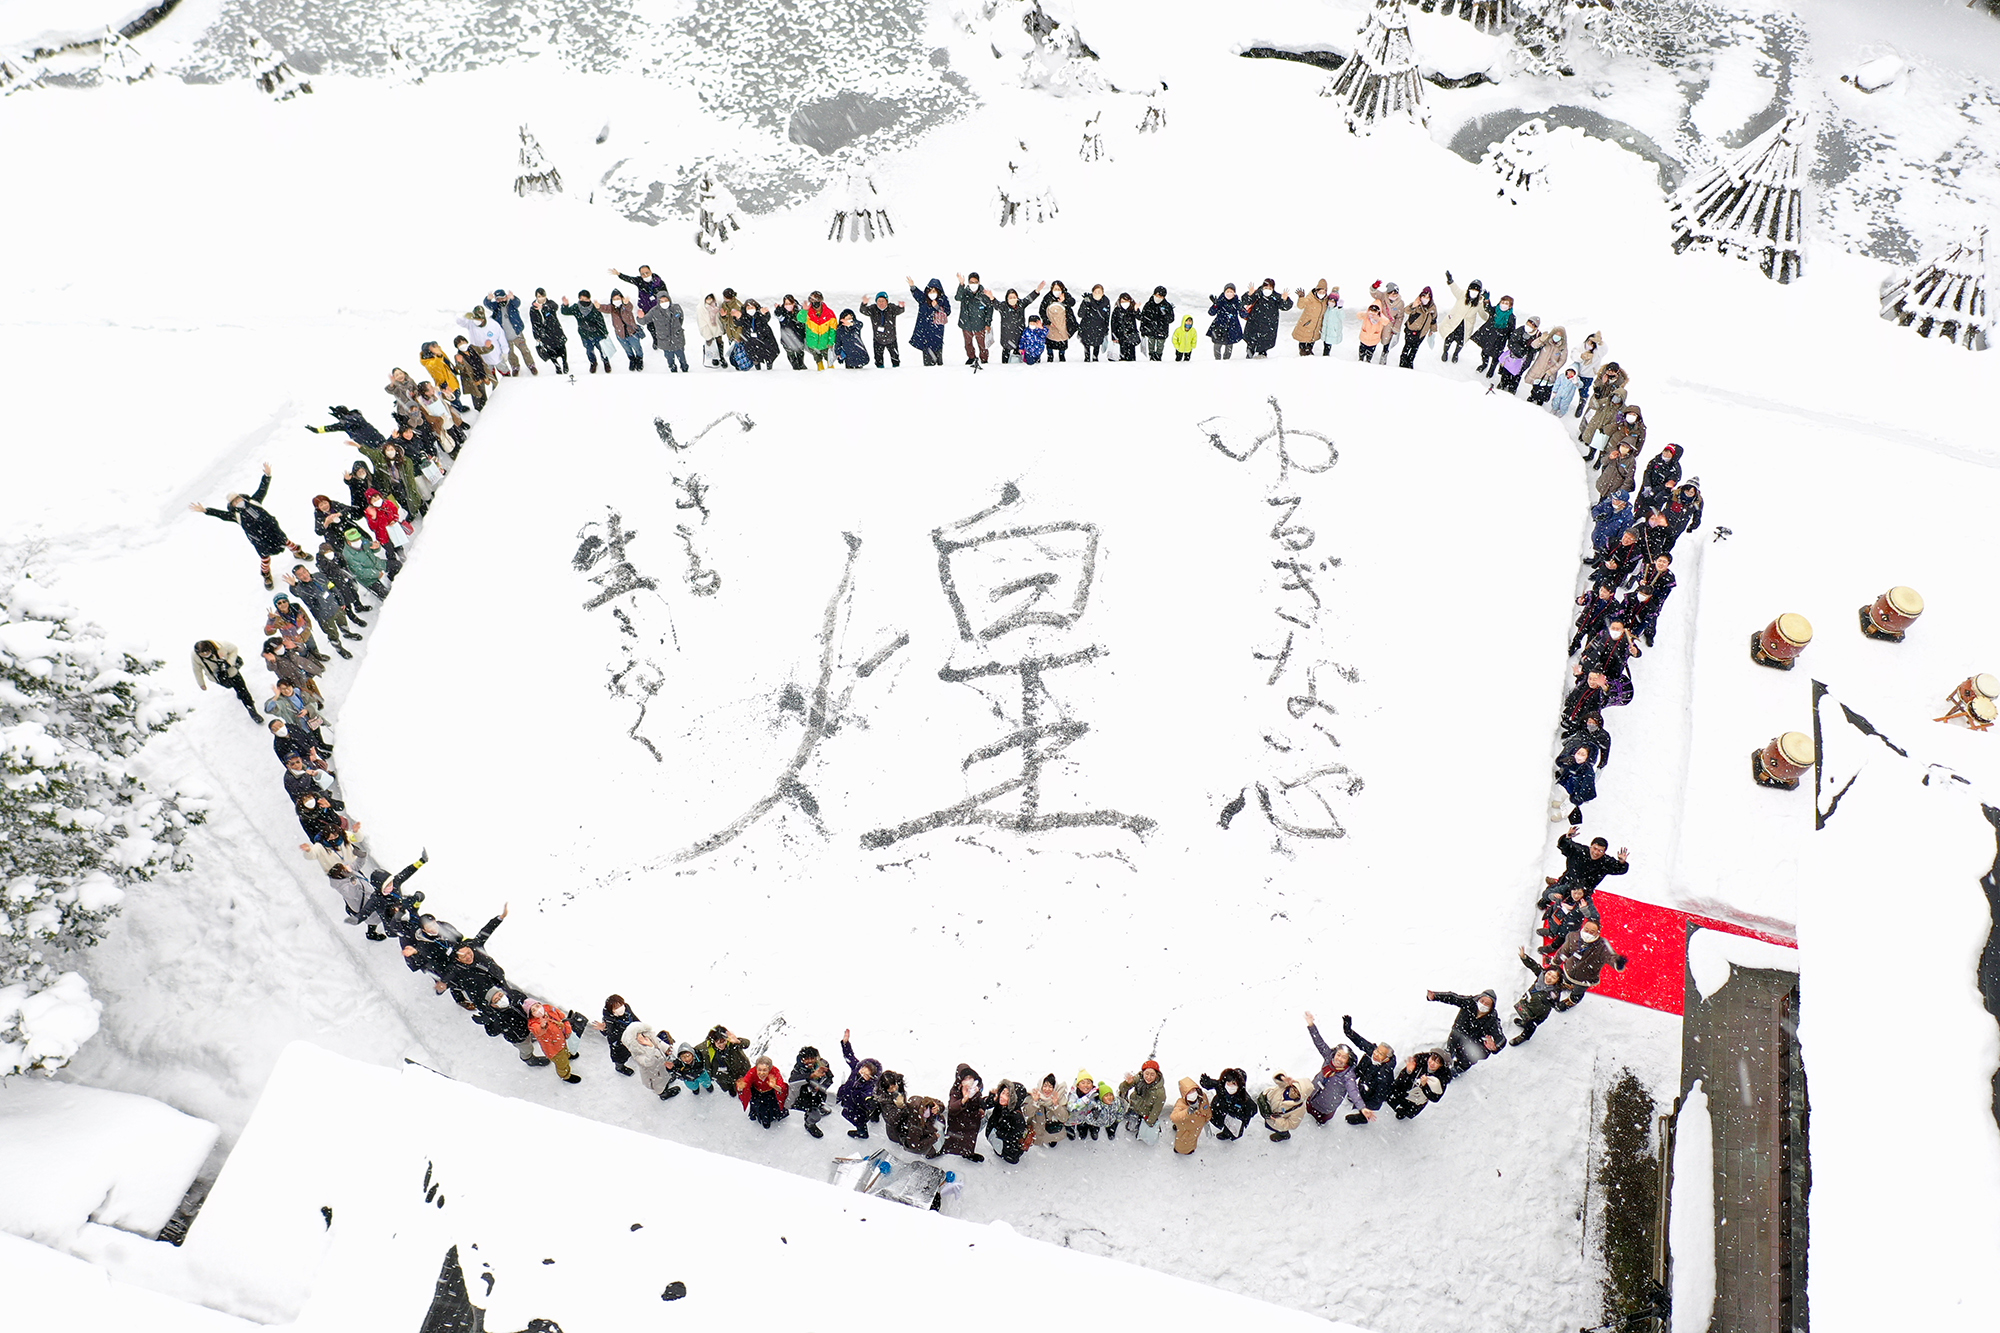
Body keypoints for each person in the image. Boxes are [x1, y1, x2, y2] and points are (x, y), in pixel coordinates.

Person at [189, 464, 306, 589]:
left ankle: (298, 552)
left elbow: (262, 489)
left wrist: (267, 475)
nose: (237, 501)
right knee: (264, 557)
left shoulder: (254, 501)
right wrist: (206, 510)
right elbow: (221, 514)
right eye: (234, 501)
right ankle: (266, 574)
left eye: (238, 499)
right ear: (232, 505)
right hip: (258, 539)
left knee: (286, 541)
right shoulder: (235, 515)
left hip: (273, 530)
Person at [1303, 1013, 1369, 1124]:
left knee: (1321, 1118)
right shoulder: (1329, 1058)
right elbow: (1319, 1042)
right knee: (1309, 1108)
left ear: (1348, 1060)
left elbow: (1353, 1091)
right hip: (1314, 1093)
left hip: (1327, 1105)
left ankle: (1320, 1122)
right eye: (1338, 1055)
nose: (1339, 1059)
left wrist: (1362, 1107)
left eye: (1344, 1057)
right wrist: (1311, 1025)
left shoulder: (1348, 1075)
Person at [1425, 987, 1504, 1072]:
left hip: (1472, 1044)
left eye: (1487, 1003)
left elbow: (1501, 1039)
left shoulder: (1492, 1020)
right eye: (1482, 1001)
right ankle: (1445, 1061)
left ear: (1491, 1007)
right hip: (1457, 1034)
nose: (1483, 1004)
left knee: (1466, 1059)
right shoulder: (1470, 1003)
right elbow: (1453, 998)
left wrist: (1495, 1047)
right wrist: (1435, 996)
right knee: (1450, 1049)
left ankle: (1458, 1069)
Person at [1554, 919, 1627, 1009]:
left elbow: (1610, 956)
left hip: (1585, 978)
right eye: (1586, 929)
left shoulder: (1602, 946)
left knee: (1578, 992)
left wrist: (1617, 963)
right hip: (1569, 969)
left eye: (1592, 932)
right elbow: (1564, 951)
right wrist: (1555, 962)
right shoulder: (1573, 936)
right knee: (1566, 979)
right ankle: (1567, 985)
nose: (1588, 933)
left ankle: (1572, 1001)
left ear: (1598, 933)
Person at [1340, 1017, 1398, 1124]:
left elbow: (1377, 1099)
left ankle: (1363, 1118)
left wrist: (1364, 1108)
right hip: (1363, 1080)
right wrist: (1348, 1031)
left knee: (1365, 1104)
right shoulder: (1372, 1052)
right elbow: (1360, 1042)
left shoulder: (1385, 1077)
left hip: (1369, 1093)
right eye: (1377, 1050)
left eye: (1380, 1054)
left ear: (1387, 1059)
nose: (1375, 1054)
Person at [1510, 948, 1568, 1045]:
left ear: (1557, 981)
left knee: (1531, 1026)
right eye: (1549, 974)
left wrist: (1551, 1001)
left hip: (1538, 1014)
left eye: (1553, 977)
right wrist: (1524, 957)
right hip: (1528, 1003)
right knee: (1526, 1017)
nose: (1549, 978)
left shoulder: (1554, 992)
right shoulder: (1541, 976)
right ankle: (1524, 1022)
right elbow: (1533, 966)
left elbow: (1556, 1004)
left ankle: (1524, 1037)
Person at [1549, 827, 1631, 895]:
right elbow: (1563, 845)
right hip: (1567, 882)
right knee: (1549, 895)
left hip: (1583, 891)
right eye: (1595, 848)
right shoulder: (1579, 851)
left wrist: (1622, 862)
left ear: (1604, 852)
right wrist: (1567, 837)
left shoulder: (1606, 862)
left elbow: (1620, 869)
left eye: (1600, 851)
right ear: (1590, 847)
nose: (1596, 853)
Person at [191, 639, 260, 720]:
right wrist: (201, 683)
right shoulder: (195, 656)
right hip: (217, 677)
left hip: (231, 671)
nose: (206, 656)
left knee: (243, 690)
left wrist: (229, 663)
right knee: (230, 686)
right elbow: (197, 670)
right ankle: (238, 692)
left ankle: (252, 710)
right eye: (203, 655)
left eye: (207, 653)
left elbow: (234, 649)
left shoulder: (221, 645)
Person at [836, 1029, 881, 1139]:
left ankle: (862, 1132)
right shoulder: (856, 1068)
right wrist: (846, 1043)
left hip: (856, 1106)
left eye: (866, 1075)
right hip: (848, 1097)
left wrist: (869, 1101)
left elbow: (868, 1095)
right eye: (862, 1071)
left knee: (856, 1119)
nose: (862, 1075)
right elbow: (849, 1055)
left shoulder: (869, 1086)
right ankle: (874, 1117)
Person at [1437, 271, 1489, 364]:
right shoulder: (1462, 294)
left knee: (1460, 342)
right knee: (1449, 338)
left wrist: (1487, 303)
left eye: (1476, 290)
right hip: (1454, 321)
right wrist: (1450, 281)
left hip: (1465, 326)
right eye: (1472, 289)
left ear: (1479, 292)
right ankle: (1445, 352)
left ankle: (1456, 353)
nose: (1474, 291)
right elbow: (1455, 289)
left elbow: (1485, 316)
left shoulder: (1480, 303)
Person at [1626, 554, 1676, 647]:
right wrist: (1641, 581)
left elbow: (1663, 594)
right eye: (1659, 560)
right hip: (1640, 594)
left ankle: (1649, 634)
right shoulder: (1647, 567)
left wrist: (1652, 590)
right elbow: (1639, 576)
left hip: (1654, 600)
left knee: (1651, 618)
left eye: (1664, 562)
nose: (1661, 563)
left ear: (1668, 564)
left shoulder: (1669, 579)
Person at [483, 290, 537, 375]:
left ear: (506, 297)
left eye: (502, 298)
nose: (501, 301)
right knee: (510, 353)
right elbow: (487, 304)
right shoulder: (496, 307)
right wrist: (488, 299)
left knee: (524, 350)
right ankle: (515, 366)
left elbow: (517, 302)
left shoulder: (512, 305)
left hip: (517, 334)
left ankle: (531, 365)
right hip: (505, 337)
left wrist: (513, 297)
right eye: (498, 299)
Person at [1387, 1051, 1451, 1120]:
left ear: (1441, 1065)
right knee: (1392, 1099)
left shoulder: (1440, 1079)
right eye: (1432, 1059)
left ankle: (1401, 1113)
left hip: (1415, 1101)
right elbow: (1401, 1080)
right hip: (1403, 1090)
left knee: (1403, 1111)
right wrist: (1408, 1072)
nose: (1432, 1063)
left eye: (1437, 1062)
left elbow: (1435, 1098)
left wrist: (1424, 1086)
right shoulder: (1419, 1063)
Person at [787, 1046, 834, 1138]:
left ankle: (817, 1106)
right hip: (803, 1093)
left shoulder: (823, 1065)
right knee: (811, 1109)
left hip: (818, 1091)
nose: (809, 1062)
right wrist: (811, 1076)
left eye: (812, 1058)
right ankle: (809, 1122)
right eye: (806, 1059)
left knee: (818, 1099)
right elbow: (792, 1080)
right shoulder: (798, 1068)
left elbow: (829, 1078)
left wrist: (819, 1086)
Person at [560, 291, 612, 374]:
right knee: (589, 351)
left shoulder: (594, 307)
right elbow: (565, 312)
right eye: (581, 299)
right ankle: (593, 363)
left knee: (602, 350)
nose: (583, 301)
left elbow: (601, 320)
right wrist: (565, 305)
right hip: (585, 335)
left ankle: (606, 362)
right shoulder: (576, 307)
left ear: (589, 299)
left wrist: (605, 333)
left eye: (585, 299)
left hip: (598, 334)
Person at [1198, 1068, 1256, 1141]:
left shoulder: (1245, 1100)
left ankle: (1226, 1134)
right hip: (1219, 1109)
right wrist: (1205, 1082)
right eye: (1228, 1082)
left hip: (1234, 1120)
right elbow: (1211, 1084)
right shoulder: (1222, 1086)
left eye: (1234, 1083)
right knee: (1214, 1118)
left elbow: (1252, 1111)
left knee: (1233, 1131)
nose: (1230, 1086)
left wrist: (1238, 1114)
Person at [590, 995, 642, 1076]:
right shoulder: (609, 1019)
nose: (621, 1008)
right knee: (620, 1057)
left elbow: (634, 1018)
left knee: (632, 1049)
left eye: (621, 1005)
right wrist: (604, 1028)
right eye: (616, 1007)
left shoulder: (627, 1008)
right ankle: (620, 1067)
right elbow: (609, 1033)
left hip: (631, 1038)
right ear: (612, 1010)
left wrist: (640, 1027)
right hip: (619, 1043)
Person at [945, 1063, 988, 1161]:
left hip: (972, 1120)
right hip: (959, 1120)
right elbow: (952, 1108)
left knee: (970, 1139)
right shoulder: (955, 1090)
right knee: (955, 1139)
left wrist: (981, 1108)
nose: (968, 1081)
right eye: (965, 1078)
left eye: (970, 1078)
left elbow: (979, 1099)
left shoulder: (976, 1087)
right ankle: (942, 1150)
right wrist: (964, 1099)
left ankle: (968, 1153)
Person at [1117, 1061, 1169, 1141]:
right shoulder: (1139, 1079)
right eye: (1147, 1074)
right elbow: (1122, 1089)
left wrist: (1150, 1122)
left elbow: (1156, 1109)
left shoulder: (1160, 1092)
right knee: (1131, 1128)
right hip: (1134, 1107)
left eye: (1152, 1074)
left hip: (1146, 1113)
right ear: (1143, 1073)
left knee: (1145, 1129)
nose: (1149, 1077)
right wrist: (1127, 1083)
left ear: (1157, 1075)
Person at [628, 1027, 681, 1100]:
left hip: (662, 1066)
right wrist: (650, 1047)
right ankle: (663, 1094)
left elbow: (658, 1042)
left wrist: (666, 1048)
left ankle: (667, 1080)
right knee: (660, 1086)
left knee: (665, 1074)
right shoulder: (639, 1054)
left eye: (642, 1035)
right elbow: (648, 1063)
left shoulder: (649, 1038)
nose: (643, 1039)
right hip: (654, 1075)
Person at [1242, 278, 1291, 357]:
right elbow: (1245, 301)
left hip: (1269, 324)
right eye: (1266, 288)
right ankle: (1250, 352)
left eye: (1270, 288)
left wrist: (1285, 299)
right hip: (1254, 322)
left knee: (1266, 340)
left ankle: (1263, 352)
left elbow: (1286, 306)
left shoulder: (1276, 297)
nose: (1267, 290)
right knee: (1252, 339)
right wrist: (1250, 294)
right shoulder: (1257, 294)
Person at [953, 273, 995, 366]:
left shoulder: (984, 294)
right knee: (968, 343)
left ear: (979, 282)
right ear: (968, 282)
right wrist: (961, 284)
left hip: (980, 323)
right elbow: (958, 297)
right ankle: (971, 357)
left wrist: (988, 323)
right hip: (966, 323)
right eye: (971, 282)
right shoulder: (965, 292)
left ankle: (984, 359)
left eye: (975, 282)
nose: (973, 284)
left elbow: (989, 309)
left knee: (982, 344)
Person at [640, 292, 687, 373]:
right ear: (658, 302)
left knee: (682, 357)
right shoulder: (654, 311)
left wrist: (676, 329)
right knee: (669, 359)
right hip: (665, 341)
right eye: (661, 301)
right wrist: (640, 317)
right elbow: (644, 321)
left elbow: (681, 318)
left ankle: (685, 368)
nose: (664, 302)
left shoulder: (676, 308)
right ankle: (673, 370)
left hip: (678, 339)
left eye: (666, 300)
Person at [737, 1056, 790, 1128]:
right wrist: (741, 1087)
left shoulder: (775, 1071)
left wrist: (775, 1086)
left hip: (770, 1093)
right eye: (759, 1070)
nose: (761, 1073)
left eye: (764, 1070)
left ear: (769, 1069)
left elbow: (782, 1088)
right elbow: (746, 1082)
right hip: (757, 1093)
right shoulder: (752, 1072)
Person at [907, 278, 950, 366]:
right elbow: (917, 294)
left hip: (937, 331)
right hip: (925, 330)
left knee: (937, 349)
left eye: (934, 291)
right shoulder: (924, 299)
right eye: (930, 290)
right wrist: (912, 286)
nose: (932, 293)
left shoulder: (943, 299)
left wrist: (937, 307)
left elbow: (948, 311)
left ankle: (939, 363)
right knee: (927, 350)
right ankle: (928, 365)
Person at [985, 1081, 1031, 1163]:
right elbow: (985, 1104)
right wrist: (992, 1096)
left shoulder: (1016, 1117)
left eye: (1008, 1095)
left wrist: (998, 1132)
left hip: (1006, 1147)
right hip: (998, 1139)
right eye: (1003, 1092)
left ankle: (1004, 1155)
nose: (1002, 1097)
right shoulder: (1002, 1105)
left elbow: (1014, 1136)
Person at [1472, 294, 1516, 377]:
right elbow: (1488, 308)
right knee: (1485, 352)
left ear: (1510, 306)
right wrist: (1487, 300)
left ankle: (1491, 369)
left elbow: (1512, 331)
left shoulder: (1511, 317)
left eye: (1506, 303)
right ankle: (1484, 364)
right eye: (1502, 302)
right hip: (1489, 335)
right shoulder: (1495, 310)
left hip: (1500, 339)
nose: (1504, 305)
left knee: (1496, 356)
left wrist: (1511, 343)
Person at [1555, 744, 1598, 825]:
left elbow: (1590, 791)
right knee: (1563, 796)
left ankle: (1562, 815)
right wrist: (1564, 760)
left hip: (1573, 794)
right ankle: (1561, 803)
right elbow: (1559, 762)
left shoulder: (1588, 771)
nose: (1579, 757)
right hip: (1566, 786)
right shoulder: (1572, 761)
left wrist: (1578, 798)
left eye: (1583, 755)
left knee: (1568, 807)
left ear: (1588, 757)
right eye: (1578, 753)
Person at [529, 290, 570, 374]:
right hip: (544, 332)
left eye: (542, 296)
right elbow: (533, 323)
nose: (541, 298)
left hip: (555, 329)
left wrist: (543, 307)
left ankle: (564, 362)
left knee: (562, 347)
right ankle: (556, 365)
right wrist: (537, 336)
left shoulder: (550, 303)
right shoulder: (533, 308)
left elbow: (555, 307)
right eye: (539, 296)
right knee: (550, 350)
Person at [1258, 1073, 1308, 1141]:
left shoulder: (1299, 1109)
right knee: (1267, 1123)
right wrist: (1281, 1077)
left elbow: (1292, 1124)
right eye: (1294, 1089)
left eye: (1297, 1093)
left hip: (1276, 1122)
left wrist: (1277, 1120)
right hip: (1269, 1107)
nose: (1293, 1093)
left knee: (1275, 1128)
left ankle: (1284, 1135)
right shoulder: (1285, 1085)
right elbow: (1277, 1077)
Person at [1168, 1078, 1212, 1155]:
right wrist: (1187, 1112)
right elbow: (1174, 1117)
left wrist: (1207, 1119)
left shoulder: (1202, 1097)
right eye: (1189, 1092)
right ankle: (1180, 1150)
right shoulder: (1181, 1103)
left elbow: (1206, 1108)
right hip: (1187, 1128)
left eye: (1193, 1090)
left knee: (1192, 1139)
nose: (1192, 1094)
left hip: (1196, 1127)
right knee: (1184, 1143)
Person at [995, 285, 1038, 363]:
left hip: (1019, 334)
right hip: (1007, 336)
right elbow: (995, 304)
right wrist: (991, 297)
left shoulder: (1021, 305)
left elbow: (1029, 298)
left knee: (1018, 354)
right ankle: (1004, 365)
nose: (1012, 299)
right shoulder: (1003, 307)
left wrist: (1037, 291)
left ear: (1017, 298)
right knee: (1006, 352)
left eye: (1014, 297)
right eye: (1010, 297)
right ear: (1007, 299)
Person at [1067, 1073, 1115, 1140]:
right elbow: (1070, 1107)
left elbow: (1103, 1100)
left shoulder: (1095, 1094)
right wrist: (1085, 1099)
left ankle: (1091, 1129)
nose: (1086, 1085)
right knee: (1074, 1124)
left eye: (1088, 1083)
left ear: (1092, 1085)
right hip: (1075, 1117)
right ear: (1078, 1085)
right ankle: (1072, 1130)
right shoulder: (1074, 1094)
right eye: (1083, 1083)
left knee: (1086, 1124)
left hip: (1087, 1118)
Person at [862, 291, 905, 367]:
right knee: (878, 359)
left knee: (895, 358)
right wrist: (864, 303)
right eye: (879, 301)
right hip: (878, 339)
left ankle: (896, 371)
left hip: (891, 339)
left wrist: (901, 306)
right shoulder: (873, 309)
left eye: (883, 301)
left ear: (887, 301)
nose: (881, 303)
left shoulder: (891, 308)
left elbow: (900, 310)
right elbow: (863, 310)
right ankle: (880, 372)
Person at [1398, 286, 1438, 367]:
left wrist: (1432, 330)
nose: (1426, 299)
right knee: (1407, 346)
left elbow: (1434, 320)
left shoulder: (1432, 308)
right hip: (1411, 330)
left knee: (1415, 348)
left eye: (1428, 297)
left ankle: (1410, 361)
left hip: (1422, 332)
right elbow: (1406, 310)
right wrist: (1413, 305)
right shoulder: (1416, 304)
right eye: (1424, 296)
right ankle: (1402, 361)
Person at [1027, 1074, 1069, 1147]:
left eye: (1050, 1086)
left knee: (1052, 1137)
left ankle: (1052, 1140)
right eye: (1045, 1086)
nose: (1047, 1089)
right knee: (1038, 1138)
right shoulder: (1034, 1095)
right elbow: (1027, 1113)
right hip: (1037, 1128)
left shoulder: (1059, 1097)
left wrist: (1056, 1105)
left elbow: (1064, 1118)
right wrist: (1034, 1102)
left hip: (1052, 1129)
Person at [798, 292, 837, 370]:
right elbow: (800, 319)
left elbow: (833, 330)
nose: (815, 304)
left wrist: (831, 342)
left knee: (829, 361)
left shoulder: (829, 313)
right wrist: (804, 310)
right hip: (813, 343)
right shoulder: (808, 313)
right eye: (812, 302)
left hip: (825, 344)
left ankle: (832, 374)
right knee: (818, 360)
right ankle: (819, 371)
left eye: (817, 301)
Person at [1039, 280, 1076, 361]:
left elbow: (1072, 303)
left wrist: (1064, 300)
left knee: (1062, 340)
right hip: (1051, 324)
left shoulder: (1065, 295)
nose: (1057, 291)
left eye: (1058, 289)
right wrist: (1047, 321)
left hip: (1063, 323)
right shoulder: (1048, 297)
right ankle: (1050, 355)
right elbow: (1041, 310)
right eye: (1055, 289)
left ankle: (1062, 355)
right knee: (1050, 341)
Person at [1291, 280, 1331, 355]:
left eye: (1323, 292)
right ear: (1316, 291)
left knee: (1313, 337)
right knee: (1303, 336)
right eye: (1320, 292)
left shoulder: (1325, 300)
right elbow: (1301, 306)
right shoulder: (1311, 298)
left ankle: (1309, 349)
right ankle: (1302, 349)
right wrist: (1301, 298)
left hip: (1317, 324)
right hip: (1307, 322)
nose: (1321, 294)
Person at [1205, 285, 1245, 359]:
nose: (1229, 293)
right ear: (1224, 292)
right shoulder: (1220, 301)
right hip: (1219, 326)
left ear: (1234, 293)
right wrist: (1215, 305)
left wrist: (1242, 309)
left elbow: (1244, 315)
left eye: (1231, 292)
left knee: (1229, 345)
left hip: (1232, 327)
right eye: (1227, 291)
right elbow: (1211, 313)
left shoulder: (1237, 302)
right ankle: (1217, 360)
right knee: (1217, 344)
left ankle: (1226, 360)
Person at [1139, 286, 1175, 361]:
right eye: (1157, 295)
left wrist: (1165, 315)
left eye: (1160, 296)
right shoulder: (1148, 304)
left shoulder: (1167, 306)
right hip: (1150, 330)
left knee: (1160, 346)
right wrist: (1143, 329)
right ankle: (1151, 357)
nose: (1158, 298)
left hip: (1162, 331)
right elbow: (1143, 317)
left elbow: (1171, 319)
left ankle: (1158, 357)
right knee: (1151, 346)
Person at [742, 299, 779, 369]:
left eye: (752, 307)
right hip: (751, 339)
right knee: (754, 354)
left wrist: (763, 314)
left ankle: (769, 365)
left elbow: (766, 318)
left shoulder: (759, 313)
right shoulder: (745, 316)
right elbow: (738, 322)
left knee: (769, 352)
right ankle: (757, 367)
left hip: (765, 337)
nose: (750, 309)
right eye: (748, 308)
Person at [1077, 284, 1111, 361]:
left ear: (1103, 293)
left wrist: (1106, 328)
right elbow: (1080, 314)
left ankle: (1095, 357)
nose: (1097, 293)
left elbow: (1107, 316)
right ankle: (1087, 357)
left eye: (1099, 292)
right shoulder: (1087, 300)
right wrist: (1085, 304)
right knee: (1086, 343)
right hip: (1087, 326)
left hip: (1099, 327)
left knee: (1097, 344)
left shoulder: (1106, 301)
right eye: (1095, 292)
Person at [1109, 292, 1141, 361]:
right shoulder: (1117, 310)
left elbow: (1139, 317)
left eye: (1126, 301)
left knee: (1131, 355)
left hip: (1131, 336)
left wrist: (1136, 310)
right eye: (1122, 301)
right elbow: (1113, 324)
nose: (1124, 303)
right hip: (1120, 336)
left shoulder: (1132, 309)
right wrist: (1114, 336)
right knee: (1122, 355)